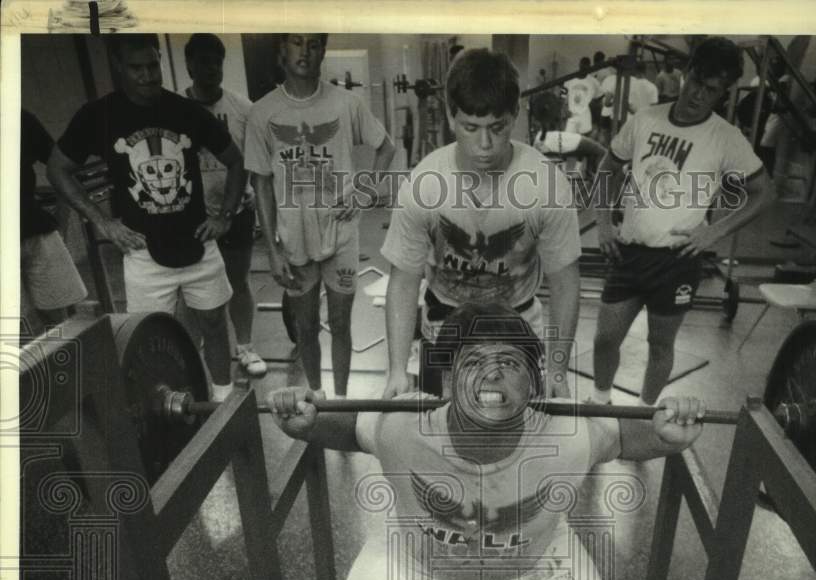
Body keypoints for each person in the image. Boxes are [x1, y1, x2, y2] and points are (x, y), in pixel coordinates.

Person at [268, 300, 707, 580]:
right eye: (473, 361)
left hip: (531, 556)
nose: (491, 374)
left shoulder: (569, 431)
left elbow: (632, 436)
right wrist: (307, 423)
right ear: (448, 378)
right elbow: (347, 429)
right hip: (420, 555)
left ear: (533, 383)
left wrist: (667, 437)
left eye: (510, 363)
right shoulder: (404, 422)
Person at [48, 33, 243, 402]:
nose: (148, 75)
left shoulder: (186, 112)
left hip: (198, 243)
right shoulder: (98, 115)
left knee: (215, 325)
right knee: (152, 338)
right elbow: (59, 169)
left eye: (153, 65)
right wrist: (102, 222)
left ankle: (223, 402)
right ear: (119, 67)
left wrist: (225, 216)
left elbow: (235, 160)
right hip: (142, 251)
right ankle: (172, 408)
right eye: (137, 68)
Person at [380, 48, 582, 401]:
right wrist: (397, 370)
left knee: (518, 444)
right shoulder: (425, 182)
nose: (485, 145)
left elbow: (565, 282)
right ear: (450, 115)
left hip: (517, 331)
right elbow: (403, 282)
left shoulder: (545, 184)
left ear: (515, 114)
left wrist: (559, 369)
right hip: (443, 329)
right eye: (470, 127)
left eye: (497, 127)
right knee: (440, 442)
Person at [591, 36, 775, 406]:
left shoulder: (727, 138)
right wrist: (603, 222)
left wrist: (715, 232)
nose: (697, 95)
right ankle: (599, 403)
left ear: (722, 93)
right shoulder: (645, 120)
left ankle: (645, 414)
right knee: (605, 338)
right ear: (686, 73)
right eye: (696, 82)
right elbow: (609, 166)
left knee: (660, 344)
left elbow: (765, 193)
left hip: (677, 262)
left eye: (711, 90)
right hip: (628, 253)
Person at [245, 33, 396, 398]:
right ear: (283, 50)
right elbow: (262, 184)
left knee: (341, 323)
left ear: (323, 51)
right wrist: (273, 251)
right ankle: (315, 395)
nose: (305, 52)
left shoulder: (347, 103)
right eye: (297, 43)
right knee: (306, 325)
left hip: (341, 232)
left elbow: (386, 147)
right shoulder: (263, 112)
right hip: (294, 238)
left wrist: (362, 193)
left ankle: (341, 402)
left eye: (313, 44)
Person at [183, 33, 265, 377]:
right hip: (192, 216)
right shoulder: (176, 109)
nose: (212, 68)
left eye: (217, 61)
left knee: (238, 280)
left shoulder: (243, 109)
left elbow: (256, 164)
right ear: (189, 65)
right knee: (193, 288)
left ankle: (244, 347)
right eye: (204, 61)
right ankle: (196, 349)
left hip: (235, 212)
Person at [21, 109, 88, 333]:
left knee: (63, 323)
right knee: (19, 331)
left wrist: (61, 222)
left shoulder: (16, 115)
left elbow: (61, 167)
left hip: (35, 230)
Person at [562, 57, 600, 135]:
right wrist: (565, 108)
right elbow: (562, 95)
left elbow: (599, 96)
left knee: (584, 138)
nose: (584, 68)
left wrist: (592, 108)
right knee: (569, 139)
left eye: (586, 66)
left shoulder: (593, 81)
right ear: (579, 65)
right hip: (572, 114)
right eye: (582, 65)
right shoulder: (569, 79)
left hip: (585, 114)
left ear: (589, 67)